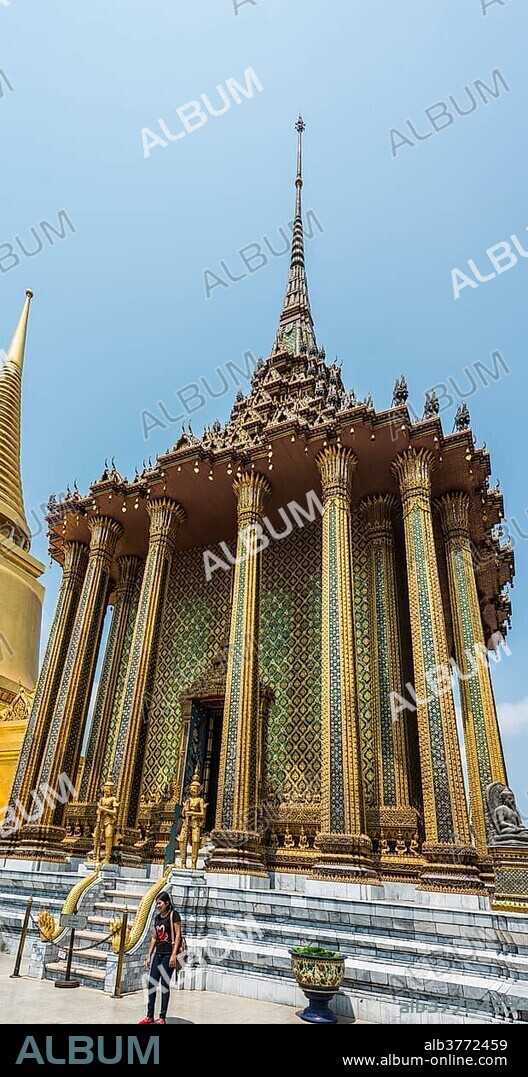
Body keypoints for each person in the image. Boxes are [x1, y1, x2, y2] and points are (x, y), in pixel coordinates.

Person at [139, 892, 181, 1025]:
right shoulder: (157, 918)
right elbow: (154, 937)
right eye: (157, 903)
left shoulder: (173, 915)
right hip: (158, 954)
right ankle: (149, 1015)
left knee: (164, 985)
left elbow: (178, 935)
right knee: (152, 984)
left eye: (160, 903)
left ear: (167, 903)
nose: (158, 906)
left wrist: (174, 954)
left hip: (169, 954)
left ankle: (162, 1017)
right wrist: (149, 955)